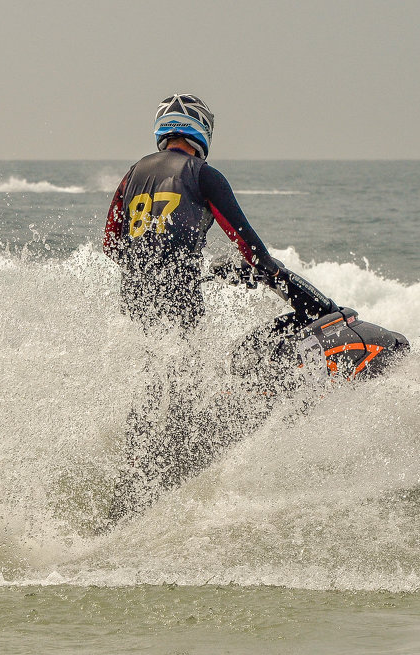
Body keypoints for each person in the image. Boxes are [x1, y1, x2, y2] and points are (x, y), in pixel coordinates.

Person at [99, 94, 292, 528]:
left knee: (149, 393)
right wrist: (267, 274)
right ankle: (171, 486)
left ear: (162, 131)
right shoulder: (203, 175)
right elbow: (248, 244)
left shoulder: (131, 175)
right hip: (179, 305)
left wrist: (152, 263)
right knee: (182, 396)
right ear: (201, 133)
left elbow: (111, 243)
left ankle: (127, 495)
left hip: (136, 304)